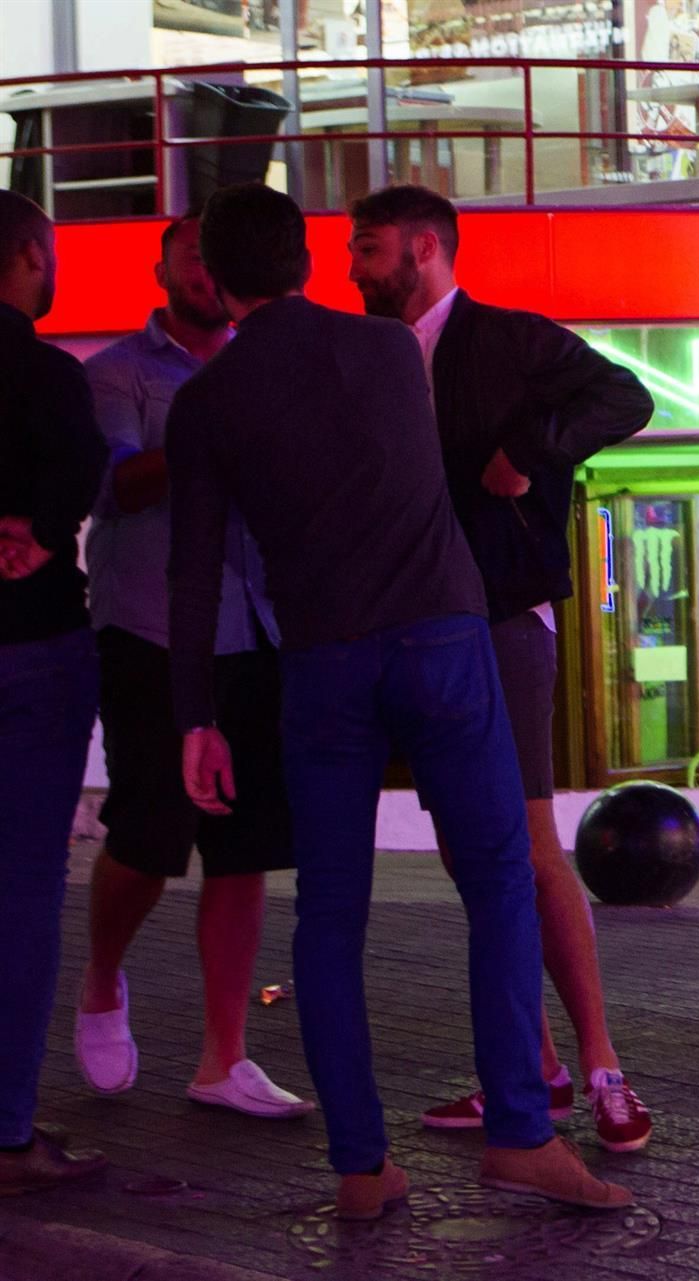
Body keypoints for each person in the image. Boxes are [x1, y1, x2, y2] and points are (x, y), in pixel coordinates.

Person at [167, 183, 629, 1218]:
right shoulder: (385, 352)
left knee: (331, 915)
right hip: (442, 639)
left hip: (322, 663)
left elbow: (192, 571)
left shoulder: (208, 402)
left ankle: (361, 1166)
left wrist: (195, 714)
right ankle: (522, 1133)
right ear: (304, 261)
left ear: (216, 280)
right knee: (500, 881)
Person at [345, 184, 656, 1152]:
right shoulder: (366, 354)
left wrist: (530, 448)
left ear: (425, 249)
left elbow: (627, 396)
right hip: (413, 625)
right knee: (467, 850)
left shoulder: (509, 339)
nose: (354, 266)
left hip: (503, 617)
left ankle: (603, 1068)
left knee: (527, 845)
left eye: (368, 248)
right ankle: (534, 1068)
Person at [72, 214, 310, 1120]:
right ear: (163, 271)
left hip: (258, 628)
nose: (208, 271)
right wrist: (213, 434)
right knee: (146, 835)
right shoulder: (116, 373)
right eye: (191, 258)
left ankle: (223, 1057)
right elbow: (113, 487)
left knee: (244, 848)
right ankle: (101, 977)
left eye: (219, 257)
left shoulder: (271, 363)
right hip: (148, 632)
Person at [0, 190, 111, 1195]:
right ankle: (6, 1130)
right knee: (25, 889)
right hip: (33, 650)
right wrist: (34, 531)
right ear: (30, 256)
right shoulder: (46, 374)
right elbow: (82, 474)